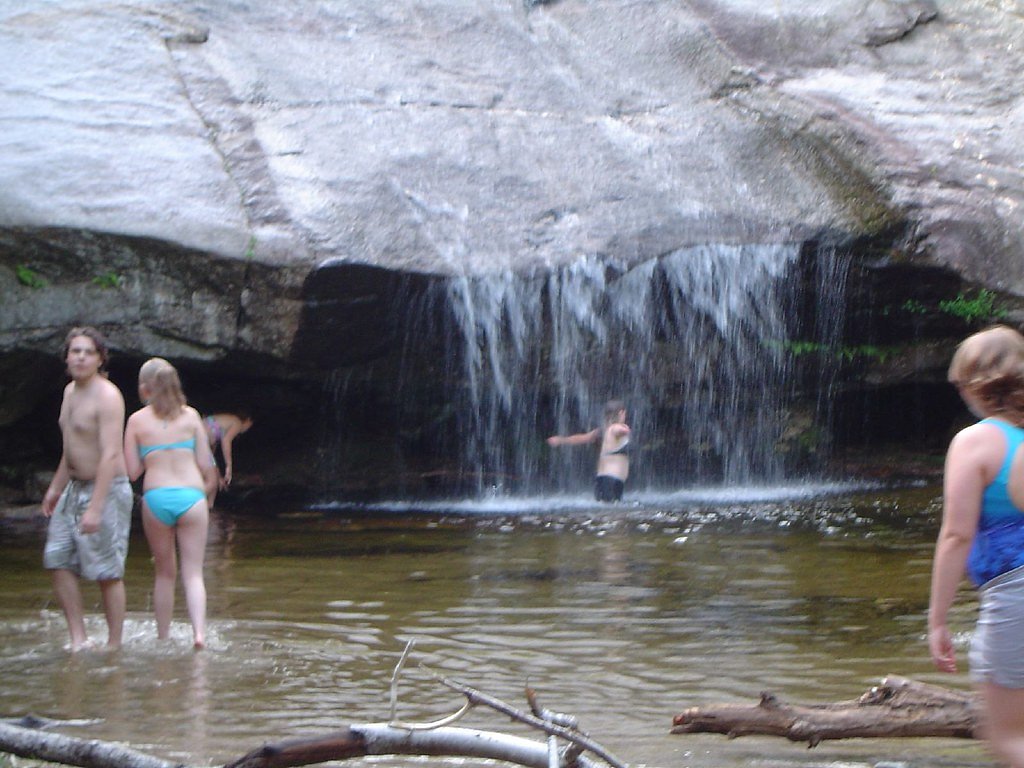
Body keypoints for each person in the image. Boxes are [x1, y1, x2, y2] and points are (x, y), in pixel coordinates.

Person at [929, 325, 1024, 767]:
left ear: (973, 386)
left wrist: (937, 621)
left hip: (1013, 594)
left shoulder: (975, 442)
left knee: (1006, 738)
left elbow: (956, 535)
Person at [41, 327, 134, 652]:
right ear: (67, 357)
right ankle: (78, 639)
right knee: (56, 559)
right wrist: (55, 488)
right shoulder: (70, 392)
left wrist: (96, 506)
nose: (80, 357)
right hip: (73, 487)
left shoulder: (107, 396)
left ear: (99, 359)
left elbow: (111, 453)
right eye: (75, 351)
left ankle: (114, 644)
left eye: (88, 352)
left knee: (106, 571)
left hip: (106, 489)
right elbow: (71, 448)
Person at [125, 358, 217, 649]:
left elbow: (132, 471)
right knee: (193, 573)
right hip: (192, 497)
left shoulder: (137, 421)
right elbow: (205, 464)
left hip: (156, 498)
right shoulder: (191, 417)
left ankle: (163, 637)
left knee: (164, 573)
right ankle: (199, 634)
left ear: (144, 388)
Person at [547, 399, 631, 502]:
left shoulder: (602, 430)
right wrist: (625, 429)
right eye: (625, 414)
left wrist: (561, 440)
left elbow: (582, 438)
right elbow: (620, 430)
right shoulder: (615, 428)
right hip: (611, 482)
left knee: (606, 512)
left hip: (606, 480)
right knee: (612, 512)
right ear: (621, 412)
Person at [202, 411, 254, 508]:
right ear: (248, 421)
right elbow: (226, 441)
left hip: (197, 441)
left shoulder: (219, 430)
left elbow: (212, 459)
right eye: (250, 425)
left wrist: (219, 477)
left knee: (214, 481)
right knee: (212, 483)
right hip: (199, 440)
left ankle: (209, 509)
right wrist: (228, 466)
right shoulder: (237, 422)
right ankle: (188, 501)